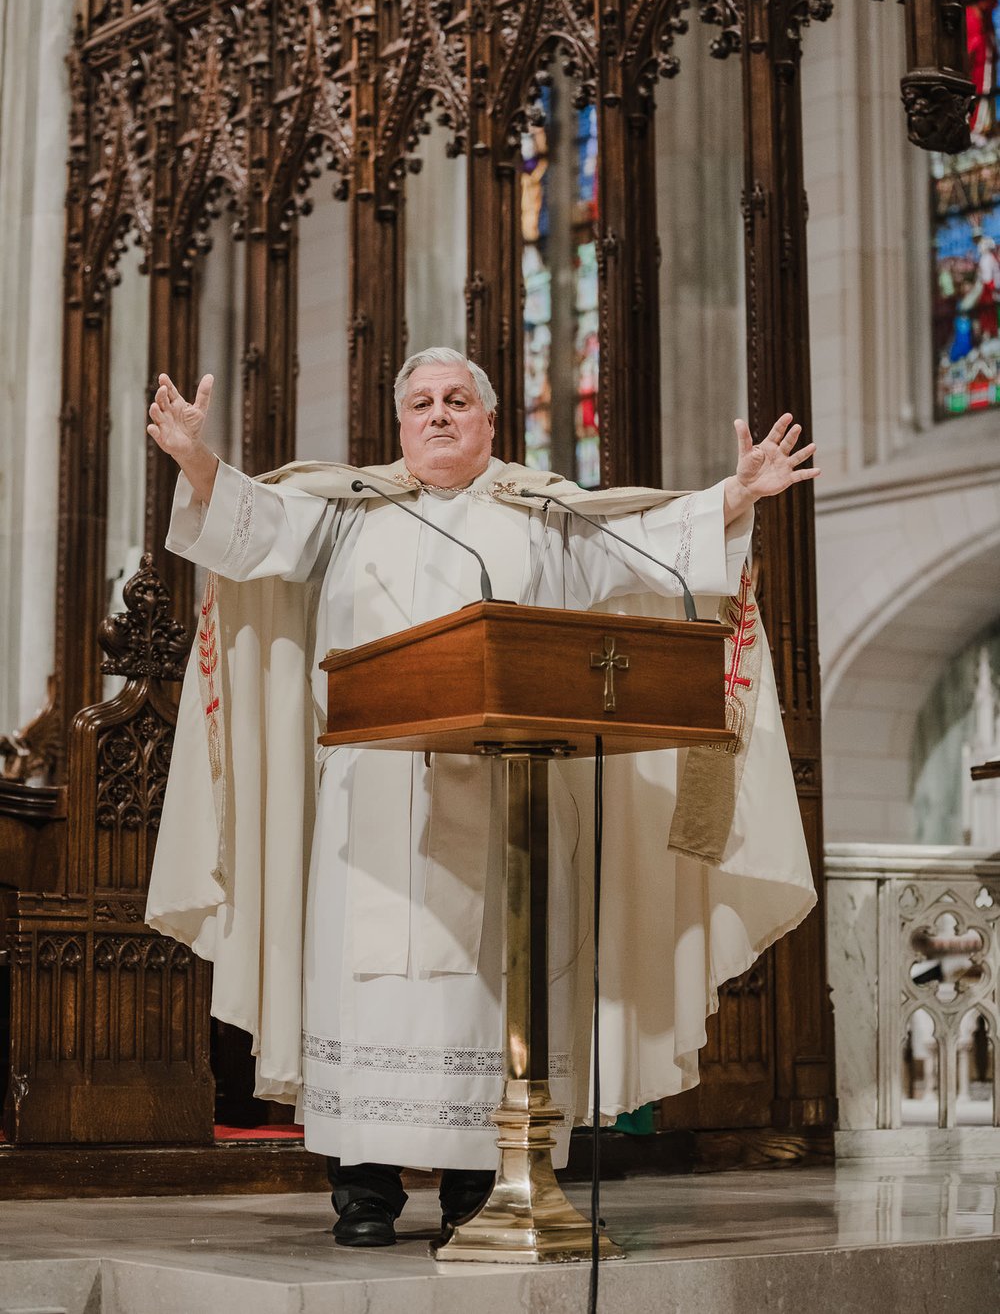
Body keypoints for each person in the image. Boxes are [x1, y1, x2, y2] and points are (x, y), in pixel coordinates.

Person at [145, 346, 819, 1247]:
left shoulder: (541, 516)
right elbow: (253, 525)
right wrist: (197, 459)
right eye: (419, 402)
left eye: (455, 400)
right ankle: (365, 1196)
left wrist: (735, 497)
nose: (436, 416)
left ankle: (481, 1187)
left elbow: (648, 554)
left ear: (489, 422)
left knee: (488, 996)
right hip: (370, 800)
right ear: (398, 426)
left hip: (512, 792)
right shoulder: (349, 515)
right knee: (364, 992)